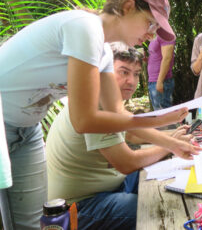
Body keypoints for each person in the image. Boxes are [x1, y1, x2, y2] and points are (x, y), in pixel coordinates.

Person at [0, 0, 200, 229]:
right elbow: (85, 120)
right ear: (127, 6)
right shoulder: (85, 27)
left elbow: (118, 116)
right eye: (150, 23)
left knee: (32, 223)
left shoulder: (104, 52)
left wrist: (171, 142)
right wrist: (161, 120)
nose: (151, 34)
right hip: (2, 123)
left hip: (28, 127)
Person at [46, 43, 192, 229]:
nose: (131, 81)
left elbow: (131, 134)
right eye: (123, 72)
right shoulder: (95, 102)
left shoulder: (109, 102)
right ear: (104, 72)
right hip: (78, 208)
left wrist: (172, 136)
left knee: (160, 176)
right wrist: (169, 146)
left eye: (136, 73)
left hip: (108, 189)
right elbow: (126, 163)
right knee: (147, 207)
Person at [147, 33, 175, 110]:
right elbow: (156, 57)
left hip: (162, 80)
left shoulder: (165, 34)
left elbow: (167, 58)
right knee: (159, 114)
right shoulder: (156, 35)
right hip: (153, 81)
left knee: (164, 114)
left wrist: (160, 81)